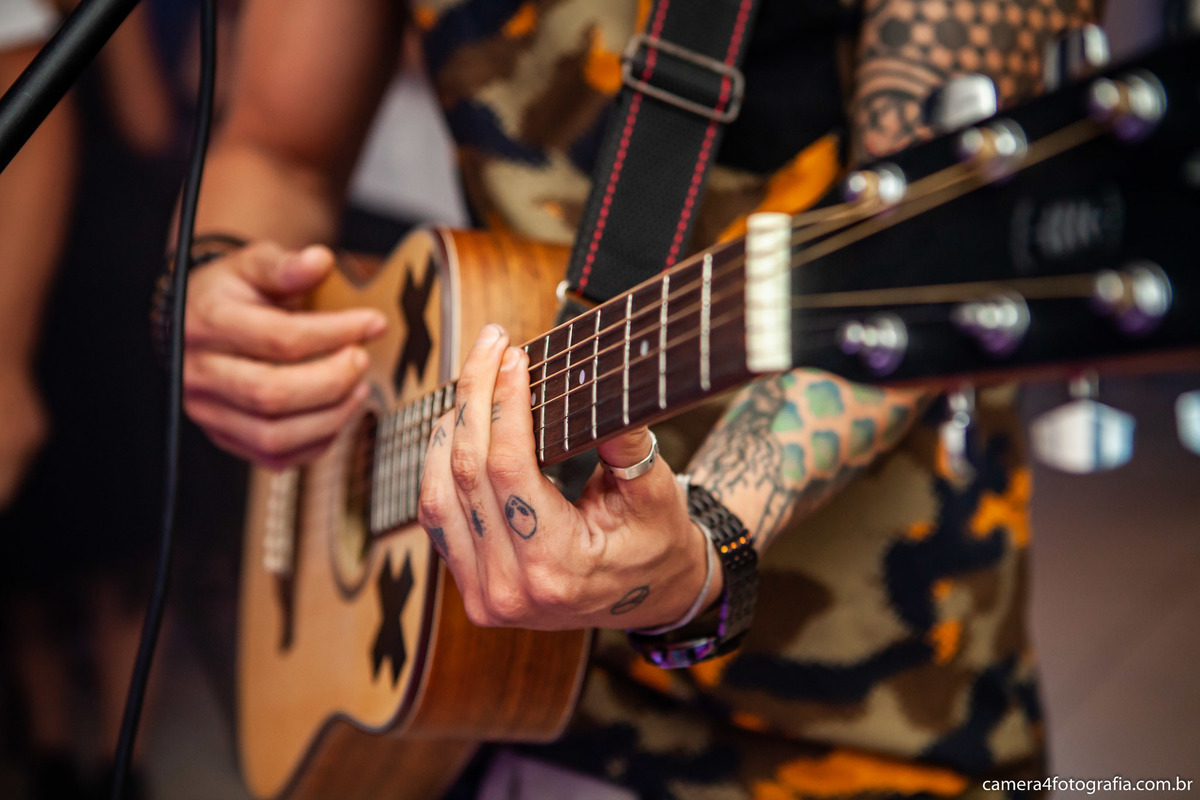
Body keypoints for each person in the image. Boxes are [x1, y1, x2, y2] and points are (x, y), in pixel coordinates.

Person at [181, 0, 1099, 797]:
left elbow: (921, 251)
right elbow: (276, 150)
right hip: (474, 684)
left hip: (859, 712)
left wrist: (708, 544)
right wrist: (214, 283)